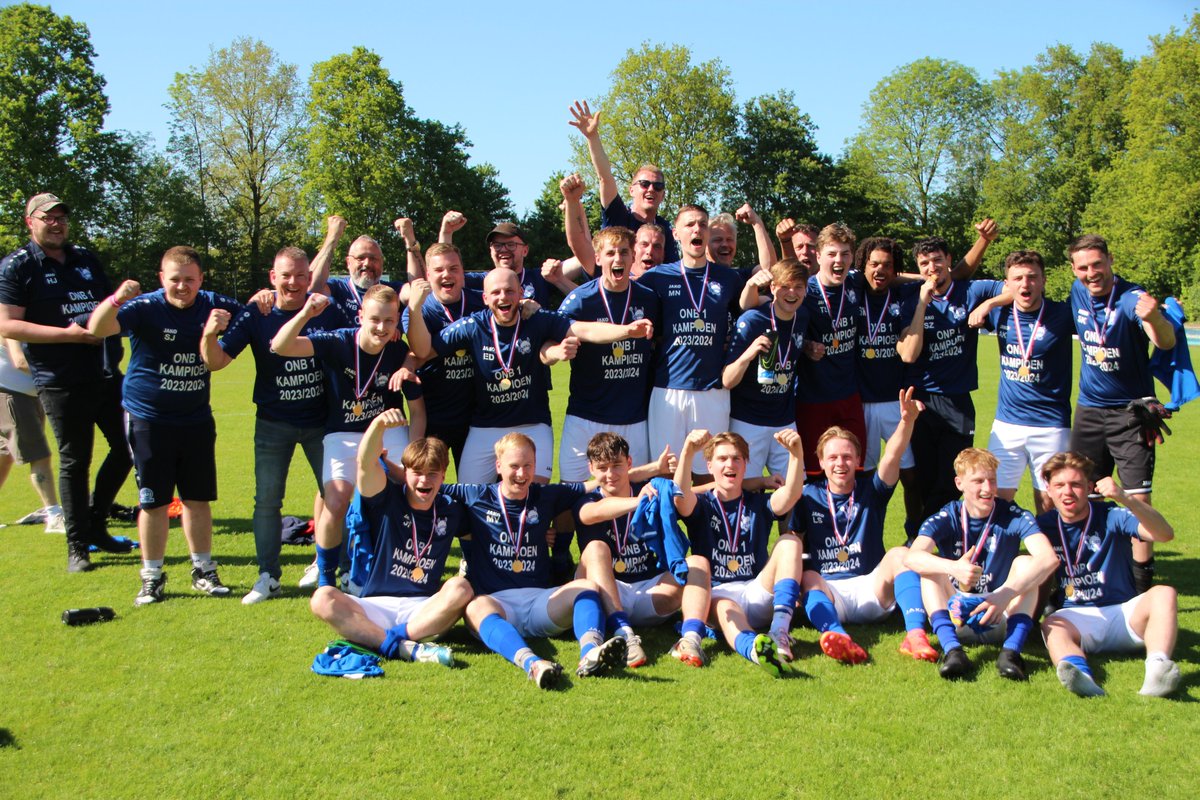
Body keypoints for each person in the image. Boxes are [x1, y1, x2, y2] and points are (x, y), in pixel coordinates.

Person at [88, 246, 244, 604]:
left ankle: (203, 570)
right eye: (175, 279)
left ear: (201, 279)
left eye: (190, 279)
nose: (182, 286)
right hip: (149, 420)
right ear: (162, 279)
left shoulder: (213, 304)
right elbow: (97, 329)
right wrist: (116, 298)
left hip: (196, 419)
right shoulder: (145, 307)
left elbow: (255, 316)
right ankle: (152, 576)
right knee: (153, 502)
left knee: (197, 499)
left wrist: (262, 300)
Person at [200, 246, 346, 604]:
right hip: (273, 422)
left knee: (337, 499)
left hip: (321, 423)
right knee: (266, 501)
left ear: (310, 278)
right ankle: (268, 576)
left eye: (300, 275)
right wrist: (208, 335)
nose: (293, 282)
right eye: (286, 275)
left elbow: (362, 342)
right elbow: (216, 361)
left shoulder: (327, 311)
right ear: (272, 277)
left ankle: (330, 570)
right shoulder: (257, 311)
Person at [418, 267, 652, 484]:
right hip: (485, 425)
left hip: (533, 424)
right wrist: (407, 363)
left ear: (521, 293)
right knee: (470, 496)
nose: (503, 297)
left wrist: (627, 331)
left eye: (510, 291)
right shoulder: (472, 325)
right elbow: (425, 350)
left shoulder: (537, 319)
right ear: (485, 298)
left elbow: (584, 328)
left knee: (535, 493)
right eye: (496, 292)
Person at [0, 192, 132, 571]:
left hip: (105, 372)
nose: (57, 223)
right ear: (30, 222)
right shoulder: (17, 267)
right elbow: (7, 323)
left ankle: (95, 523)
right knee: (76, 460)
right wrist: (68, 334)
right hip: (59, 379)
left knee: (129, 448)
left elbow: (110, 305)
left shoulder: (85, 258)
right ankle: (77, 546)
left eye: (61, 217)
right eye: (48, 218)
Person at [271, 282, 428, 590]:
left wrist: (408, 363)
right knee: (337, 498)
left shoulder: (397, 349)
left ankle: (397, 568)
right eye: (375, 319)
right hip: (342, 433)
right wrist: (305, 313)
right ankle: (327, 575)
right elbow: (280, 346)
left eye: (389, 321)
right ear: (360, 316)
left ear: (397, 323)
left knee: (401, 493)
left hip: (388, 431)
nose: (381, 327)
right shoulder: (338, 341)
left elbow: (420, 352)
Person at [450, 432, 631, 688]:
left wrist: (653, 470)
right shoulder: (475, 495)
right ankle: (532, 664)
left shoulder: (545, 494)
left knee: (588, 588)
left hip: (539, 600)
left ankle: (590, 652)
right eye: (514, 466)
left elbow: (595, 483)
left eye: (528, 466)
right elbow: (419, 485)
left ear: (536, 465)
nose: (522, 474)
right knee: (473, 608)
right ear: (498, 465)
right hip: (495, 600)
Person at [310, 416, 471, 667]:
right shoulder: (386, 499)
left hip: (423, 611)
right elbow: (365, 463)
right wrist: (378, 426)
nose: (424, 481)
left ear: (443, 475)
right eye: (417, 473)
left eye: (432, 474)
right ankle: (408, 649)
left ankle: (389, 641)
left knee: (461, 588)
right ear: (404, 472)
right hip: (376, 606)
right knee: (322, 598)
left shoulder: (452, 510)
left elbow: (483, 535)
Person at [789, 388, 936, 664]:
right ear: (820, 462)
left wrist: (906, 421)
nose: (840, 463)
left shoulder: (872, 490)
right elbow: (793, 544)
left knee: (901, 555)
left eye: (847, 457)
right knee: (809, 577)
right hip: (830, 592)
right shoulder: (807, 495)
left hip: (872, 588)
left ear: (858, 460)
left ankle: (915, 635)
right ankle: (837, 636)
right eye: (832, 458)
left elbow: (891, 457)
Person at [1067, 234, 1175, 592]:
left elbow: (1165, 340)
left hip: (1131, 415)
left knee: (1137, 499)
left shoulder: (1131, 298)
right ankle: (1084, 573)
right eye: (1083, 267)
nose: (1091, 273)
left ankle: (1142, 585)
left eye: (1098, 264)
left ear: (1110, 260)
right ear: (1074, 269)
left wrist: (1155, 318)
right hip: (1088, 412)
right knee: (1082, 492)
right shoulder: (1077, 291)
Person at [905, 448, 1059, 680]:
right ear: (959, 483)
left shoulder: (1013, 514)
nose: (987, 489)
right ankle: (953, 651)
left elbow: (1049, 559)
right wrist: (953, 567)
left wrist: (1005, 594)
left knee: (1027, 563)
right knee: (930, 569)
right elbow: (911, 557)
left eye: (992, 481)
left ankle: (1011, 653)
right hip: (957, 612)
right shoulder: (948, 516)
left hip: (1000, 611)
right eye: (978, 481)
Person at [1037, 452, 1180, 698]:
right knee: (1051, 625)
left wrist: (1125, 497)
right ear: (1048, 489)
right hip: (1076, 618)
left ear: (1090, 487)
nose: (1067, 492)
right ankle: (1080, 676)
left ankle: (1157, 670)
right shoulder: (1043, 524)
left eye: (1076, 485)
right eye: (1059, 485)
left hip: (1124, 614)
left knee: (1164, 593)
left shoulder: (1111, 515)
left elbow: (1164, 534)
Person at [672, 428, 807, 676]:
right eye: (722, 459)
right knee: (697, 564)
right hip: (717, 595)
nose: (729, 464)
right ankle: (756, 651)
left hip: (756, 589)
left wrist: (796, 455)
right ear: (710, 466)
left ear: (746, 465)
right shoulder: (702, 504)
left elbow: (790, 496)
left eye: (736, 458)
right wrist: (687, 453)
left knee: (790, 542)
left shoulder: (758, 503)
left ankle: (779, 632)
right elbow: (680, 498)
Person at [898, 232, 998, 535]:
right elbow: (909, 355)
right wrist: (922, 304)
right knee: (924, 479)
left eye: (937, 261)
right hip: (922, 401)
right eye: (924, 263)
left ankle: (928, 536)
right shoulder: (910, 297)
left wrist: (989, 304)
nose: (932, 267)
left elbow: (1015, 287)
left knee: (953, 479)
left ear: (949, 261)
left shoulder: (971, 291)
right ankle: (924, 536)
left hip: (958, 400)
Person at [640, 205, 745, 478]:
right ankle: (667, 522)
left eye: (702, 224)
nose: (696, 229)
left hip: (712, 390)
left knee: (711, 471)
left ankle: (710, 521)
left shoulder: (729, 278)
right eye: (689, 225)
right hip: (668, 389)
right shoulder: (656, 278)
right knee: (666, 470)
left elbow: (751, 315)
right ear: (676, 233)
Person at [970, 250, 1074, 513]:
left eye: (1032, 277)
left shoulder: (1062, 314)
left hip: (1051, 426)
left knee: (1049, 503)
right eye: (1017, 278)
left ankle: (1053, 554)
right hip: (1007, 426)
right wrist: (990, 304)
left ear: (1044, 280)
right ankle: (1001, 554)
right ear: (1007, 283)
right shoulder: (999, 314)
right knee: (994, 500)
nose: (1025, 284)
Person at [572, 432, 685, 667]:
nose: (610, 474)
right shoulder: (587, 500)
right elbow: (595, 512)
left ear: (629, 463)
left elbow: (694, 493)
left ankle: (693, 636)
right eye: (602, 467)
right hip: (608, 589)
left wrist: (753, 484)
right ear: (591, 468)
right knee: (595, 548)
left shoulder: (649, 489)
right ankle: (625, 633)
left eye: (617, 466)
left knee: (697, 566)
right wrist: (640, 502)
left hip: (649, 590)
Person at [556, 227, 661, 479]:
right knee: (571, 493)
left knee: (634, 494)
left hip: (633, 418)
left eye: (624, 252)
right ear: (598, 257)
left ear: (633, 256)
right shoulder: (580, 299)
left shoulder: (649, 299)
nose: (618, 259)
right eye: (611, 252)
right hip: (585, 416)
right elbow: (553, 339)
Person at [722, 258, 809, 477]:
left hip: (785, 420)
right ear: (772, 288)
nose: (792, 293)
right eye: (785, 286)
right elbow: (727, 380)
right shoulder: (753, 320)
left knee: (795, 489)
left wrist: (810, 346)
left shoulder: (803, 317)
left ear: (806, 290)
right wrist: (750, 353)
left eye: (798, 287)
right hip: (747, 421)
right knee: (745, 490)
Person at [401, 243, 484, 470]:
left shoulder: (482, 302)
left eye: (453, 268)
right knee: (425, 479)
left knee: (474, 486)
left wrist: (525, 304)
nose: (446, 274)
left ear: (462, 272)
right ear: (428, 275)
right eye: (439, 270)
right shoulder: (419, 308)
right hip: (433, 414)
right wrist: (415, 309)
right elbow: (420, 350)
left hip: (476, 417)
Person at [569, 100, 679, 263]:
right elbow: (605, 177)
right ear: (631, 190)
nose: (651, 189)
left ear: (663, 195)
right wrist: (592, 137)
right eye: (644, 184)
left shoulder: (665, 229)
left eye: (658, 186)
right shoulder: (619, 215)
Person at [0, 332, 62, 530]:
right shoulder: (9, 320)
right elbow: (20, 361)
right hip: (13, 394)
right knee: (39, 456)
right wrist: (61, 375)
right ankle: (54, 515)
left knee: (5, 454)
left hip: (25, 394)